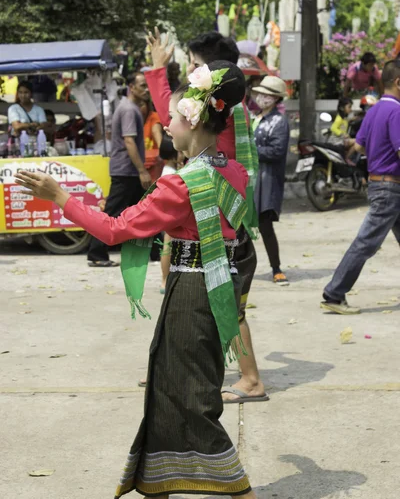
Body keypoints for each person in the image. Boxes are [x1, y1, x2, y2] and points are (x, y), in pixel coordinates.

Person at [15, 62, 257, 499]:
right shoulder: (230, 170)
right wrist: (158, 71)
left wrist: (61, 197)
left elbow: (113, 230)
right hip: (216, 285)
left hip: (191, 293)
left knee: (192, 399)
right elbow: (186, 122)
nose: (167, 123)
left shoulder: (181, 185)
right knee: (170, 389)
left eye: (176, 118)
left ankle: (239, 490)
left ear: (196, 120)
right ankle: (158, 484)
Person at [145, 28, 268, 404]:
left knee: (229, 305)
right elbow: (175, 111)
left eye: (196, 67)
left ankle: (250, 379)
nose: (192, 75)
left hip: (221, 219)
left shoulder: (221, 113)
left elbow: (177, 110)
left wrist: (158, 72)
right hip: (208, 211)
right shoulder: (223, 113)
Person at [321, 59, 400, 315]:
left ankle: (335, 292)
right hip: (390, 189)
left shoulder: (374, 110)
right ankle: (334, 293)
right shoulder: (396, 112)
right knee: (366, 243)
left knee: (366, 242)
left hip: (381, 185)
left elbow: (360, 146)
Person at [87, 72, 151, 267]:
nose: (146, 90)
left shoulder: (130, 107)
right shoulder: (129, 110)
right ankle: (96, 253)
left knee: (144, 211)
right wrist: (142, 170)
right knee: (113, 212)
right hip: (126, 170)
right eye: (142, 86)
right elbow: (129, 141)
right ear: (132, 87)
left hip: (127, 169)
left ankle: (154, 253)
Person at [253, 76, 290, 286]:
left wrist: (250, 151)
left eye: (266, 94)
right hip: (250, 179)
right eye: (260, 92)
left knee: (264, 223)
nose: (261, 97)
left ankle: (276, 268)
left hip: (267, 181)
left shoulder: (279, 121)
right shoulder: (256, 118)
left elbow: (277, 151)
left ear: (276, 98)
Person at [158, 135, 179, 292]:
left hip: (167, 212)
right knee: (168, 244)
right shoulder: (171, 173)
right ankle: (165, 280)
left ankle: (166, 279)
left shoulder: (168, 170)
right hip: (171, 213)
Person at [140, 96, 164, 182]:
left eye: (141, 105)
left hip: (155, 166)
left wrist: (163, 151)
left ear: (147, 105)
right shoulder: (133, 119)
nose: (138, 108)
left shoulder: (153, 117)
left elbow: (156, 131)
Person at [329, 97, 357, 162]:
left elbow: (344, 123)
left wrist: (351, 119)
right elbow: (333, 128)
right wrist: (343, 135)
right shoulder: (339, 118)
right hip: (337, 140)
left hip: (341, 139)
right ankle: (346, 158)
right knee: (358, 142)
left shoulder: (344, 119)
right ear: (342, 108)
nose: (351, 109)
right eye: (349, 107)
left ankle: (346, 157)